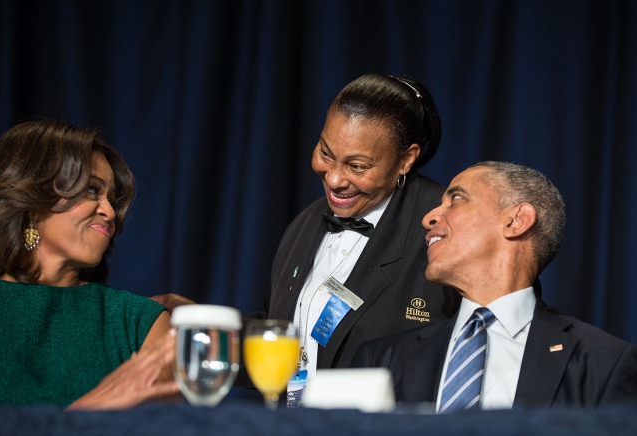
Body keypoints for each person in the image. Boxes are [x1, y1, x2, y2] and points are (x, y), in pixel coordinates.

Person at [351, 161, 637, 410]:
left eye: (456, 198)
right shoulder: (381, 359)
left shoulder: (604, 363)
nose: (429, 218)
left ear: (516, 221)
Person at [265, 73, 460, 386]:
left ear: (406, 160)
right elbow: (286, 333)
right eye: (326, 153)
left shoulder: (448, 224)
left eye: (357, 166)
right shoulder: (308, 221)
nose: (333, 179)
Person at [0, 119, 179, 409]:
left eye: (112, 199)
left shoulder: (140, 322)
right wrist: (89, 410)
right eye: (91, 190)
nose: (111, 212)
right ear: (30, 196)